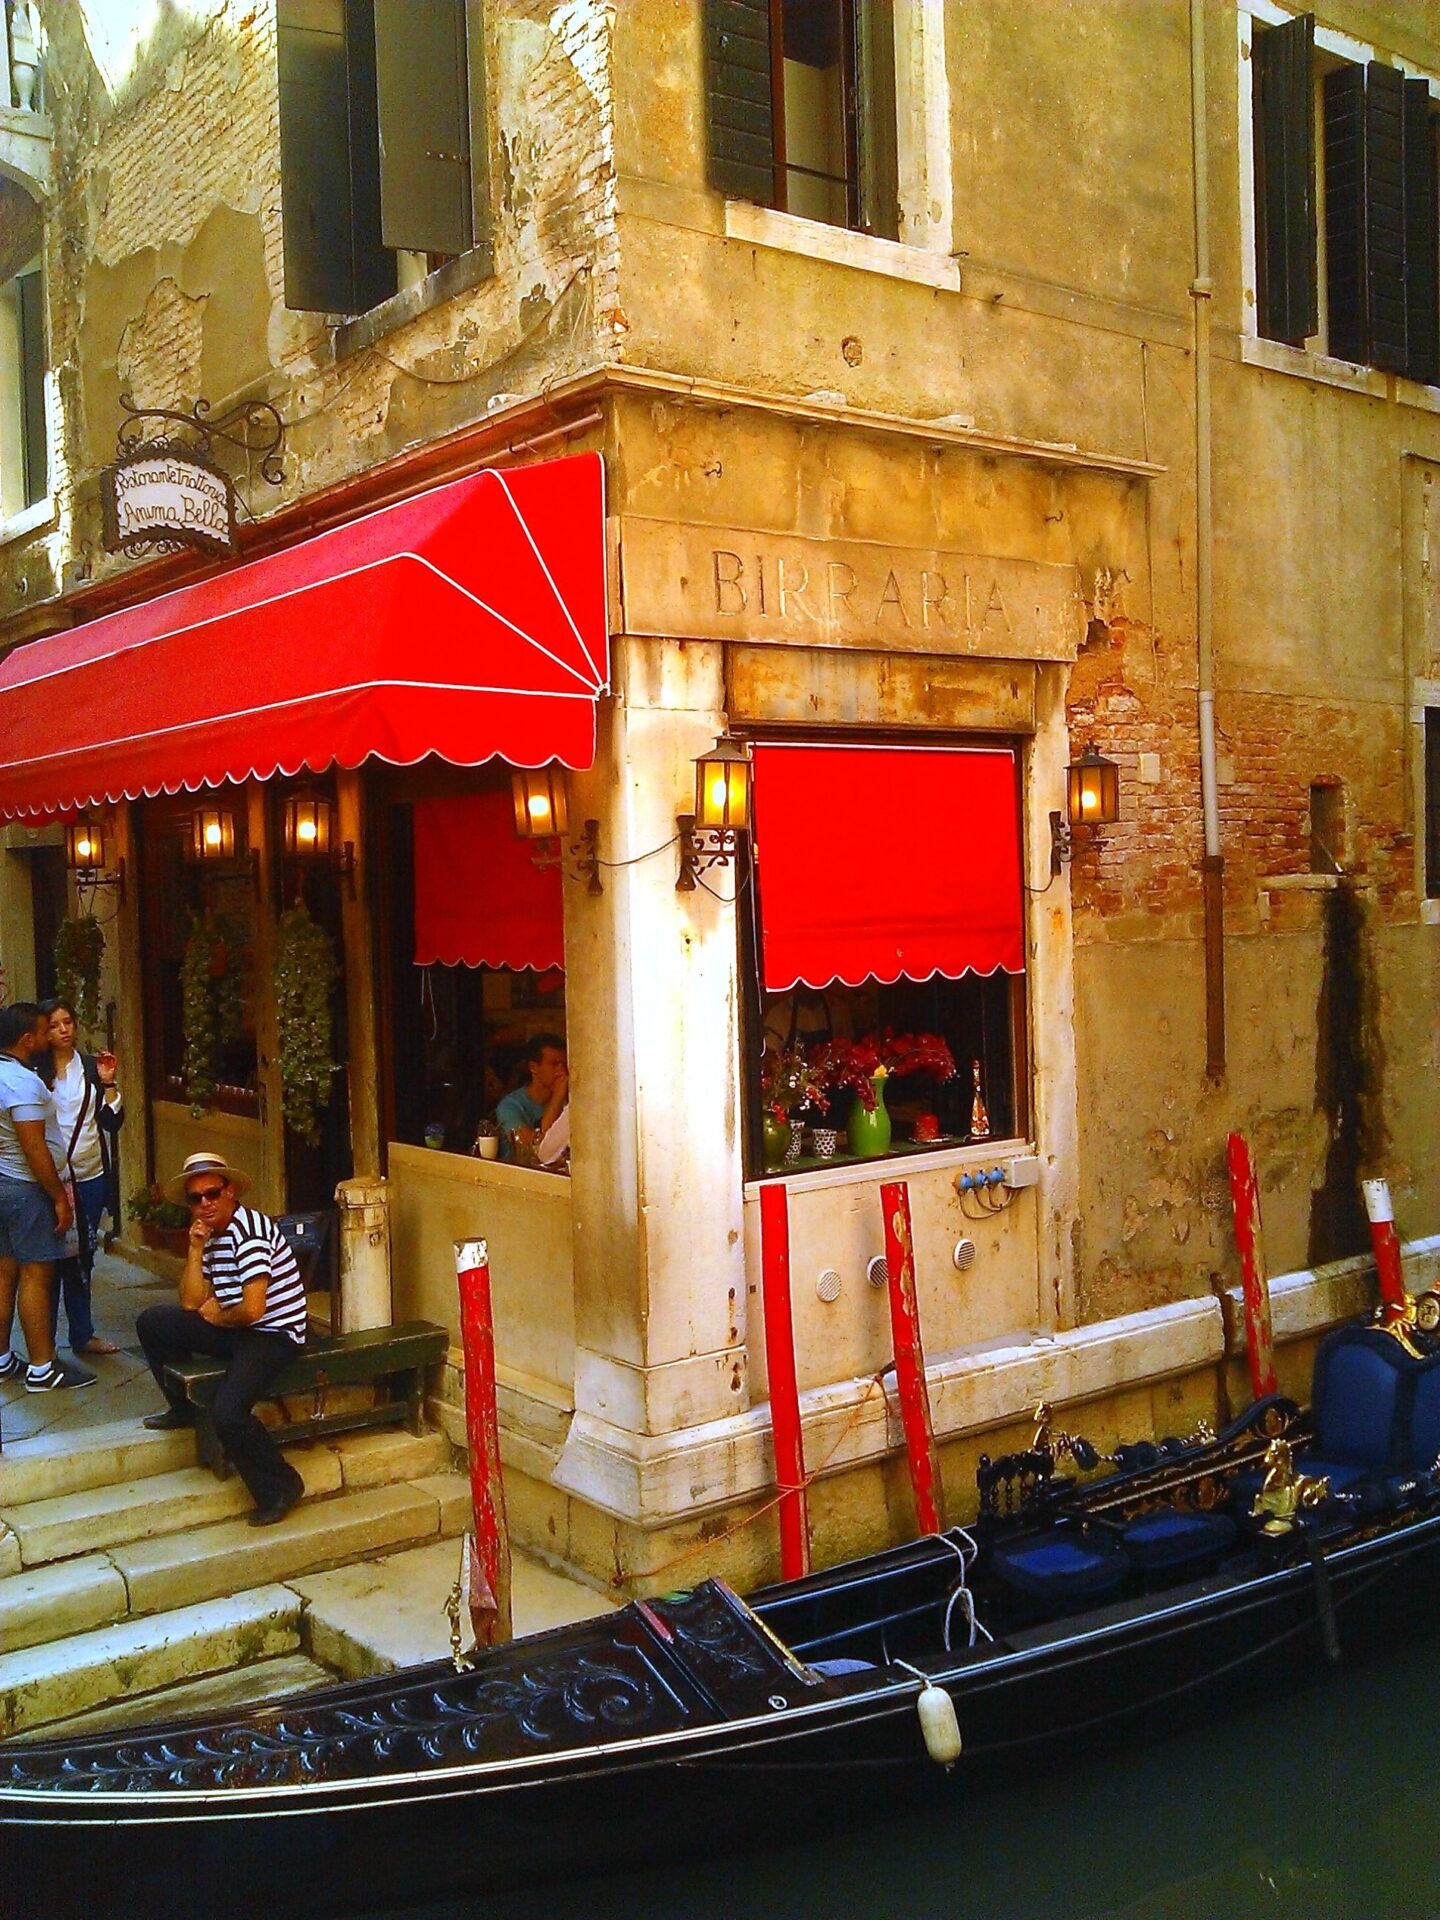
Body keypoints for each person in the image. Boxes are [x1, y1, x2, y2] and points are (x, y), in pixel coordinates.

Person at [136, 1153, 307, 1526]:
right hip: (237, 1327)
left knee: (228, 1413)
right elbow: (190, 1301)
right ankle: (183, 1408)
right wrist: (195, 1249)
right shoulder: (209, 1234)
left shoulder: (251, 1233)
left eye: (212, 1193)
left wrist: (218, 1317)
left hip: (273, 1335)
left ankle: (281, 1486)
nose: (205, 1203)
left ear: (230, 1192)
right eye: (195, 1198)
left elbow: (254, 1309)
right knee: (154, 1322)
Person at [0, 1002, 90, 1391]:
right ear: (27, 1039)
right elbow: (34, 1146)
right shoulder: (21, 1082)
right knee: (36, 1274)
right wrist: (58, 1197)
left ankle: (2, 1358)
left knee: (4, 1273)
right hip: (25, 1188)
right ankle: (42, 1368)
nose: (47, 1036)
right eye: (42, 1031)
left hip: (4, 1183)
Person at [36, 998, 123, 1357]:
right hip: (49, 1178)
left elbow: (112, 1122)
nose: (64, 1030)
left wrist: (109, 1083)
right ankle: (42, 1343)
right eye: (55, 1025)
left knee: (82, 1257)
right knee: (48, 1261)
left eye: (68, 1022)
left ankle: (82, 1334)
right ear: (43, 1032)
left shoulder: (89, 1067)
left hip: (89, 1174)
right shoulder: (34, 1071)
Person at [493, 1032, 567, 1162]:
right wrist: (557, 1098)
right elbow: (538, 1150)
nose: (561, 1071)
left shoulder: (568, 1103)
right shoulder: (510, 1107)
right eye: (554, 1064)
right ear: (533, 1067)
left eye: (564, 1064)